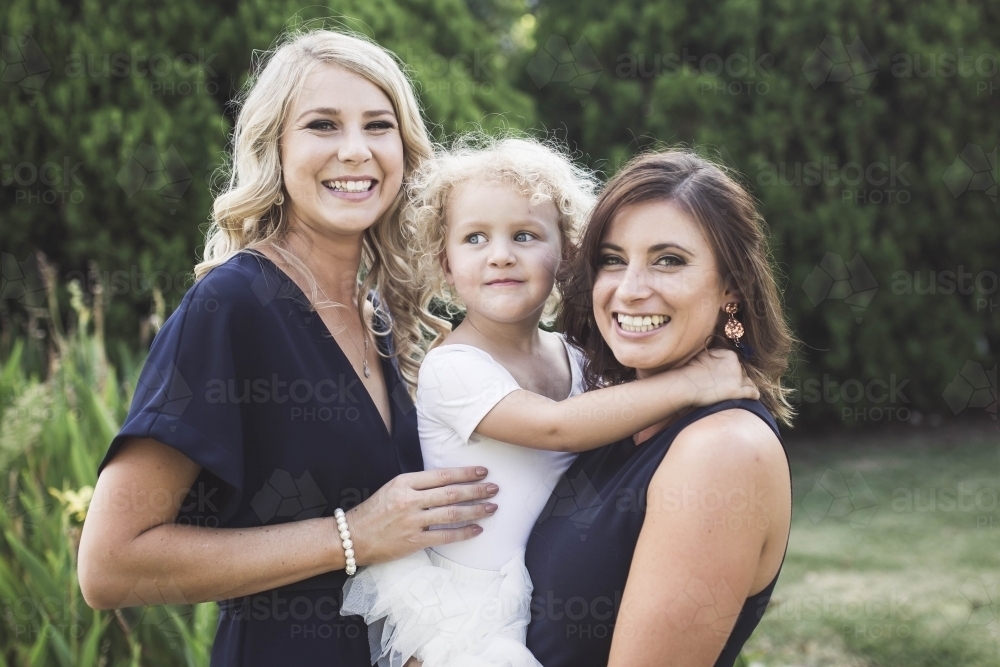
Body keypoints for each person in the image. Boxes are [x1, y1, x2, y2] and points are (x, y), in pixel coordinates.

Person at [77, 29, 501, 667]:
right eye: (323, 125)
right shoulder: (232, 306)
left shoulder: (380, 317)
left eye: (378, 126)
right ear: (275, 148)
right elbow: (110, 566)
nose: (355, 151)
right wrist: (350, 536)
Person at [340, 137, 759, 667]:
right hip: (470, 604)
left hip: (528, 595)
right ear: (445, 264)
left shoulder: (575, 357)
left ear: (566, 256)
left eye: (524, 234)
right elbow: (559, 427)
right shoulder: (455, 367)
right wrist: (692, 383)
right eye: (474, 238)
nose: (500, 255)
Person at [525, 150, 796, 667]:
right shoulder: (612, 424)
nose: (630, 290)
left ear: (730, 290)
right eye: (612, 259)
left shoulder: (723, 450)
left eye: (668, 260)